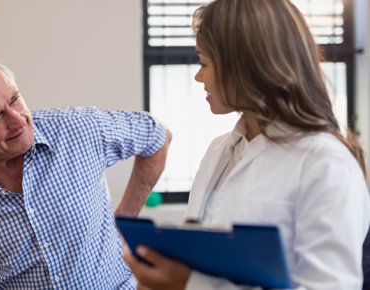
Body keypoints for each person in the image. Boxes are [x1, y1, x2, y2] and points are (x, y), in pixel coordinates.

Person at [123, 0, 370, 289]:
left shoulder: (326, 164)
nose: (198, 76)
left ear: (247, 66)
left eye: (204, 63)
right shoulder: (219, 151)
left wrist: (188, 285)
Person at [0, 54, 172, 289]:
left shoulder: (78, 129)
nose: (18, 119)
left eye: (14, 99)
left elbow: (158, 136)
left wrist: (124, 221)